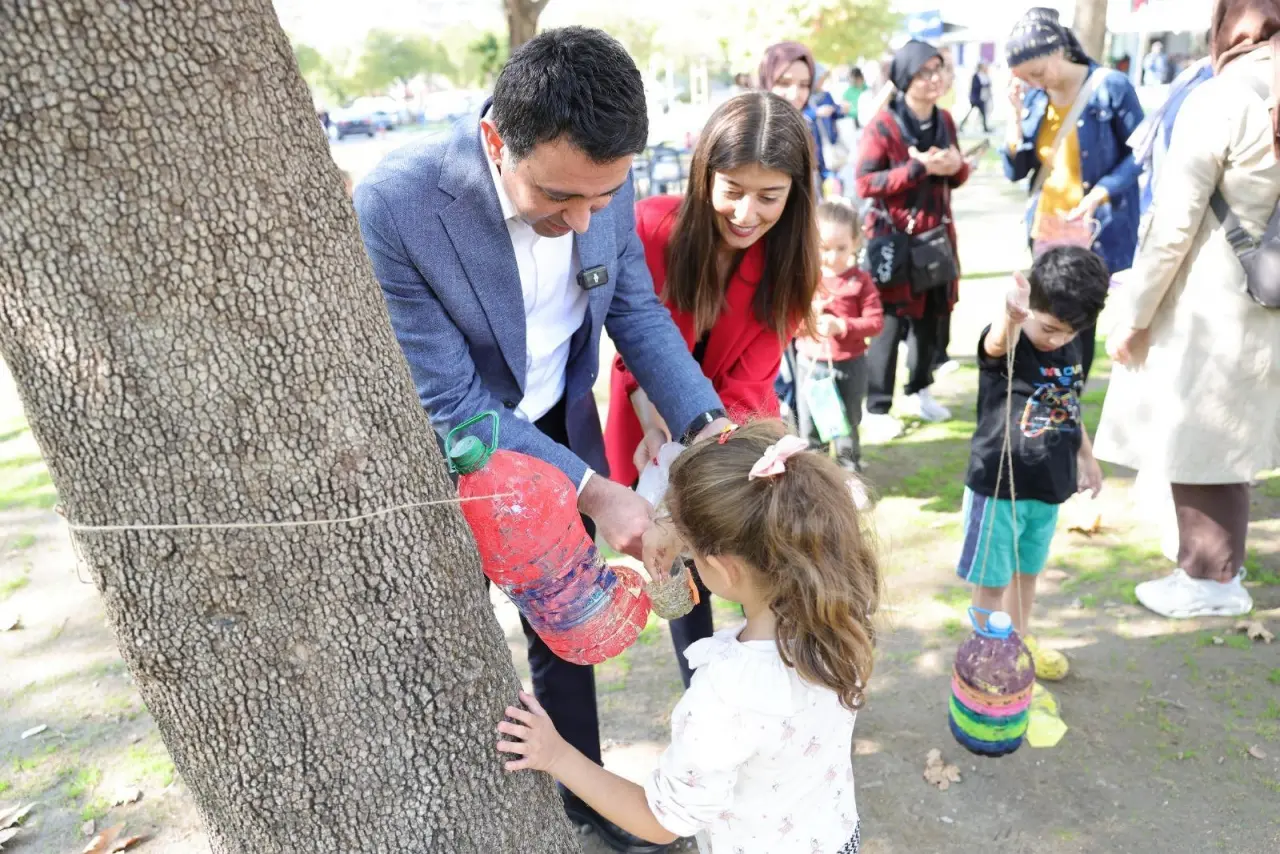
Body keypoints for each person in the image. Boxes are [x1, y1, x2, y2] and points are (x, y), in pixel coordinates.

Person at [354, 28, 730, 854]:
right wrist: (593, 488)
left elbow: (634, 310)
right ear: (497, 140)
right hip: (468, 445)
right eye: (561, 200)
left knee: (567, 615)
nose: (586, 219)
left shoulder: (602, 182)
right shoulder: (396, 205)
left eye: (603, 199)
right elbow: (450, 399)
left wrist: (710, 427)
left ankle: (588, 800)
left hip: (561, 415)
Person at [496, 420, 882, 854]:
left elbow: (661, 821)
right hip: (834, 839)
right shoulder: (844, 616)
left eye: (696, 551)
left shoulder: (726, 695)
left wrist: (556, 755)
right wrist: (690, 529)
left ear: (724, 567)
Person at [606, 91, 819, 689]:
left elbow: (748, 382)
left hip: (733, 436)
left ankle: (779, 687)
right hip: (643, 424)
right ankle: (703, 689)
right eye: (732, 189)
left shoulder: (788, 266)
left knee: (755, 567)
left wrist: (694, 458)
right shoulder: (649, 227)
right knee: (676, 576)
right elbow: (631, 338)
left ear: (794, 195)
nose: (747, 213)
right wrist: (653, 421)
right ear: (704, 174)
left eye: (769, 196)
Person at [1094, 0, 1280, 620]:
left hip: (1218, 296)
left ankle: (1209, 579)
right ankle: (1215, 571)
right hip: (1269, 292)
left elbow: (1174, 226)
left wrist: (1135, 313)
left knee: (1206, 438)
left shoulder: (1224, 96)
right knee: (1233, 437)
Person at [959, 247, 1108, 682]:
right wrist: (1012, 318)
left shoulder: (1074, 336)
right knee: (993, 580)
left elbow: (1068, 400)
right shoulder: (1015, 334)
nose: (1059, 340)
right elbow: (994, 345)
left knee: (1027, 574)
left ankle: (1016, 649)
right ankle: (987, 659)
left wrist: (1086, 454)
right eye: (1051, 328)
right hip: (999, 487)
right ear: (1031, 309)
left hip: (1048, 487)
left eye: (1069, 332)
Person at [1002, 7, 1145, 383]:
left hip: (1094, 228)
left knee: (1078, 320)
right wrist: (1014, 118)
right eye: (1026, 77)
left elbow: (1142, 151)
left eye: (1038, 71)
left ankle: (1068, 403)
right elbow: (1015, 170)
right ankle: (1047, 399)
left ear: (1058, 50)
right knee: (1044, 316)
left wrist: (1101, 192)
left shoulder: (1110, 87)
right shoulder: (1034, 99)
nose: (1035, 82)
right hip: (1047, 228)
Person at [855, 40, 969, 438]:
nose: (935, 78)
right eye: (925, 72)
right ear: (905, 79)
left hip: (936, 236)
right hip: (896, 240)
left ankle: (921, 389)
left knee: (931, 317)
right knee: (889, 321)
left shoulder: (946, 120)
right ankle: (877, 406)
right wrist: (916, 167)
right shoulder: (883, 125)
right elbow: (866, 181)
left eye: (939, 69)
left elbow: (956, 173)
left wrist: (957, 167)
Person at [795, 201, 883, 473]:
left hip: (849, 366)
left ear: (856, 242)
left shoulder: (860, 281)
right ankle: (814, 480)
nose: (831, 257)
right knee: (810, 429)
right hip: (810, 365)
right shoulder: (806, 279)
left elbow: (875, 322)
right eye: (823, 248)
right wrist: (807, 317)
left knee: (846, 425)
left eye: (840, 248)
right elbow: (788, 324)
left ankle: (849, 475)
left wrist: (841, 326)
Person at [960, 63, 993, 133]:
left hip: (981, 98)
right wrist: (983, 85)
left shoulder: (984, 76)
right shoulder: (976, 76)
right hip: (976, 98)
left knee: (983, 113)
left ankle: (985, 127)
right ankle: (961, 125)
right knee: (972, 112)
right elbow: (976, 86)